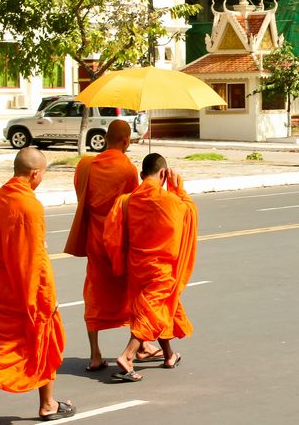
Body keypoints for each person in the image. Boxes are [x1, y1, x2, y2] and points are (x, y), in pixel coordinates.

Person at [0, 147, 74, 424]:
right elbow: (37, 259)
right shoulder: (30, 205)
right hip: (28, 290)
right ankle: (47, 405)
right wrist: (48, 297)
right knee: (45, 342)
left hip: (0, 287)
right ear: (35, 174)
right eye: (42, 174)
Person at [64, 120, 162, 371]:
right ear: (126, 141)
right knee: (132, 291)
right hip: (118, 238)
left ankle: (95, 353)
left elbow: (82, 195)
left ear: (106, 137)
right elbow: (134, 204)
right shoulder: (128, 170)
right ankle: (141, 346)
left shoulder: (85, 165)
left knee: (94, 293)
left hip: (95, 237)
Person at [105, 153, 198, 382]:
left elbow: (111, 235)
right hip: (161, 269)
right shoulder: (171, 201)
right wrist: (178, 188)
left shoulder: (127, 200)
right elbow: (189, 213)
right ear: (164, 174)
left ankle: (168, 355)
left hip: (137, 266)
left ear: (141, 174)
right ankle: (127, 356)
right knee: (152, 310)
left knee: (158, 308)